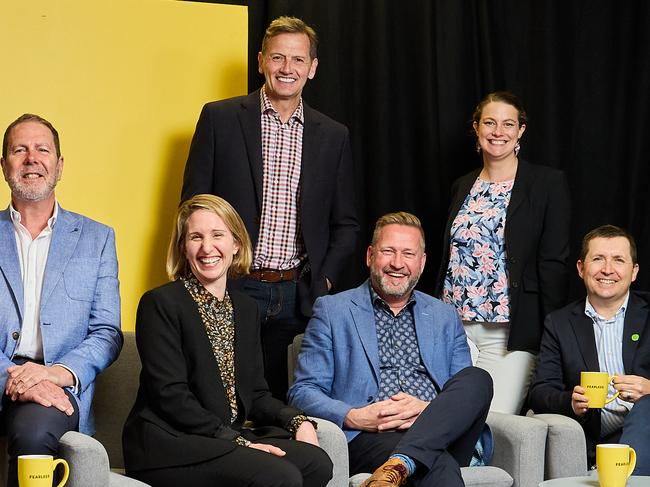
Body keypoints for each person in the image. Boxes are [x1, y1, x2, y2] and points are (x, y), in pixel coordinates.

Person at [181, 16, 359, 400]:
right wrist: (210, 271)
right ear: (261, 61)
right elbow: (192, 206)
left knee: (280, 400)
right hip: (230, 284)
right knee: (220, 395)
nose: (287, 68)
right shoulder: (220, 118)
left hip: (297, 294)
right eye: (278, 58)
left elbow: (346, 224)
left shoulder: (333, 135)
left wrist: (323, 281)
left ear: (312, 68)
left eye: (297, 60)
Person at [122, 194, 332, 487]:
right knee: (280, 475)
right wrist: (237, 442)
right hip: (169, 443)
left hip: (222, 438)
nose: (207, 247)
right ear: (183, 247)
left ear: (236, 244)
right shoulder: (160, 303)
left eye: (217, 235)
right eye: (196, 237)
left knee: (317, 463)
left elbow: (256, 393)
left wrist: (298, 420)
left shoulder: (246, 308)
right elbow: (170, 395)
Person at [289, 212, 493, 487]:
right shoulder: (333, 311)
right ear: (370, 255)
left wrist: (429, 410)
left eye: (408, 254)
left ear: (421, 263)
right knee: (438, 466)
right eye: (388, 252)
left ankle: (401, 463)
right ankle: (405, 460)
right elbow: (303, 391)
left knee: (478, 379)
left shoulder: (444, 315)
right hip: (372, 437)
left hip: (443, 433)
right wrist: (354, 416)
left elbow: (463, 394)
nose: (398, 263)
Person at [0, 113, 122, 487]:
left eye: (42, 149)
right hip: (3, 373)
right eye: (19, 150)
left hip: (57, 386)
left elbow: (106, 332)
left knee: (35, 434)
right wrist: (14, 376)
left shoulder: (97, 238)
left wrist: (54, 374)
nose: (31, 158)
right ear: (4, 166)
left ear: (60, 164)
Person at [435, 91, 571, 414]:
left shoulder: (547, 184)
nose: (499, 132)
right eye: (490, 123)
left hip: (510, 335)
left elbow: (553, 263)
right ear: (476, 128)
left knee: (493, 423)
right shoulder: (462, 185)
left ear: (521, 130)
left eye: (508, 124)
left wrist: (553, 338)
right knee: (445, 419)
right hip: (453, 329)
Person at [528, 225, 650, 474]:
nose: (607, 269)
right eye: (598, 259)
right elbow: (539, 392)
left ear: (634, 271)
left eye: (618, 260)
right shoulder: (559, 323)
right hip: (594, 438)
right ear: (581, 268)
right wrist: (571, 402)